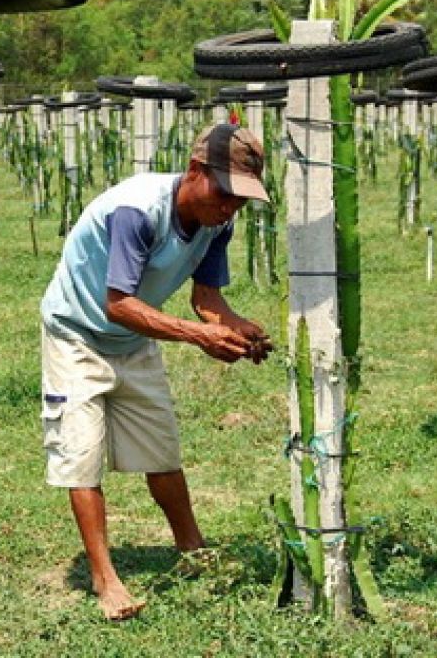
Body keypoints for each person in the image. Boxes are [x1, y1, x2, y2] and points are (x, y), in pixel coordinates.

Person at [39, 121, 274, 620]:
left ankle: (192, 551)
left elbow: (206, 299)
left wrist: (236, 329)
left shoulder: (218, 223)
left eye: (242, 199)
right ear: (194, 172)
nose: (231, 207)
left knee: (162, 450)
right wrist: (198, 336)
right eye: (226, 192)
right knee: (81, 454)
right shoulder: (137, 211)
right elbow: (118, 304)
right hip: (77, 334)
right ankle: (106, 580)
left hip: (136, 335)